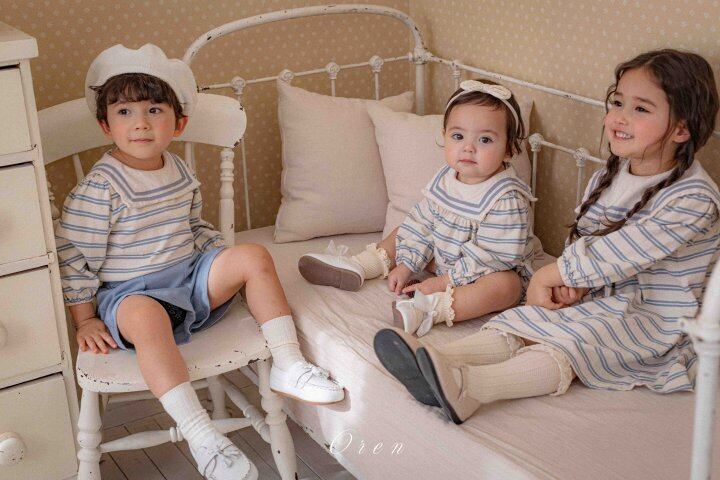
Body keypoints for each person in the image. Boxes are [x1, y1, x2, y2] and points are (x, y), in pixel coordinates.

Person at [376, 49, 720, 424]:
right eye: (618, 102)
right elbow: (587, 244)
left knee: (570, 342)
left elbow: (619, 253)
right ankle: (435, 360)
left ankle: (473, 387)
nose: (619, 117)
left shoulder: (694, 199)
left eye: (640, 109)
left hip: (656, 319)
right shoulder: (611, 175)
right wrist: (575, 286)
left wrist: (550, 275)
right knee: (521, 321)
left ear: (681, 129)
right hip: (603, 298)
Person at [56, 44, 343, 480]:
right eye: (125, 112)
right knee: (146, 317)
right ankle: (201, 434)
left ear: (179, 123)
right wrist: (85, 320)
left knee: (252, 255)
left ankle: (288, 363)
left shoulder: (178, 170)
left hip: (188, 280)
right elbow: (74, 255)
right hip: (131, 296)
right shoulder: (101, 187)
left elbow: (193, 227)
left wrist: (220, 259)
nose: (140, 123)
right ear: (105, 125)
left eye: (154, 110)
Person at [299, 79, 535, 339]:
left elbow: (491, 257)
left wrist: (444, 283)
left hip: (482, 272)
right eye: (458, 136)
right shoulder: (446, 178)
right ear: (444, 136)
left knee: (505, 286)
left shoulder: (505, 197)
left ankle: (431, 310)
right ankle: (365, 264)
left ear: (509, 150)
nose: (468, 147)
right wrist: (407, 265)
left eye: (485, 139)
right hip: (445, 257)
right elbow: (423, 224)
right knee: (405, 228)